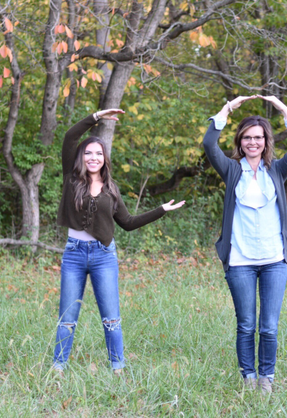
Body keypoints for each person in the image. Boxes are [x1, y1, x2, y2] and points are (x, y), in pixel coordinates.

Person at [53, 109, 185, 374]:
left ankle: (118, 368)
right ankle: (58, 367)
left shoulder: (111, 190)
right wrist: (95, 117)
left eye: (98, 153)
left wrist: (160, 210)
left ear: (105, 159)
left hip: (104, 256)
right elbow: (69, 137)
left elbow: (128, 223)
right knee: (67, 319)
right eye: (88, 152)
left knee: (111, 319)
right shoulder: (71, 177)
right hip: (74, 255)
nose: (93, 157)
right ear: (82, 156)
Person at [203, 95, 287, 393]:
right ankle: (247, 377)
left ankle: (266, 379)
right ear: (240, 141)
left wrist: (283, 108)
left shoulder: (277, 169)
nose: (253, 142)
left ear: (266, 141)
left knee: (269, 326)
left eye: (258, 137)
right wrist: (227, 109)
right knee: (246, 324)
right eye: (247, 137)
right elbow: (210, 144)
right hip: (240, 260)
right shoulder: (232, 169)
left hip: (274, 259)